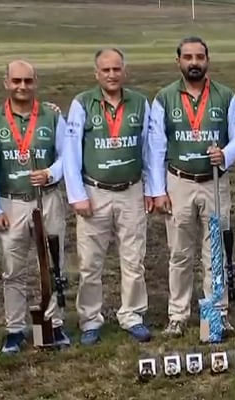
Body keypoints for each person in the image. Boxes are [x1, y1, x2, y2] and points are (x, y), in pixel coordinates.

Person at [151, 36, 235, 338]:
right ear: (178, 60)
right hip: (179, 182)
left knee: (214, 252)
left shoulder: (225, 96)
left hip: (214, 183)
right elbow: (155, 147)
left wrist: (226, 154)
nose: (194, 62)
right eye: (188, 57)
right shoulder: (164, 97)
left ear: (208, 60)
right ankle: (177, 315)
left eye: (200, 57)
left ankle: (216, 315)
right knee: (179, 253)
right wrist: (157, 190)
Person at [64, 48, 160, 345]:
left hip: (130, 191)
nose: (112, 74)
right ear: (96, 73)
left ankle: (132, 315)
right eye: (105, 70)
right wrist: (77, 195)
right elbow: (71, 152)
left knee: (134, 259)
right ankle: (90, 319)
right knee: (90, 262)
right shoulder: (82, 104)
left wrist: (151, 188)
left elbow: (150, 149)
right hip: (94, 192)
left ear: (124, 71)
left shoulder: (140, 103)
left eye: (116, 69)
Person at [0, 60, 71, 353]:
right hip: (11, 202)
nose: (22, 87)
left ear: (36, 82)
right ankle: (15, 329)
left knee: (54, 264)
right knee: (13, 269)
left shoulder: (52, 117)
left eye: (28, 81)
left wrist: (50, 173)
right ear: (5, 82)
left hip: (48, 199)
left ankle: (53, 324)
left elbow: (66, 156)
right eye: (16, 81)